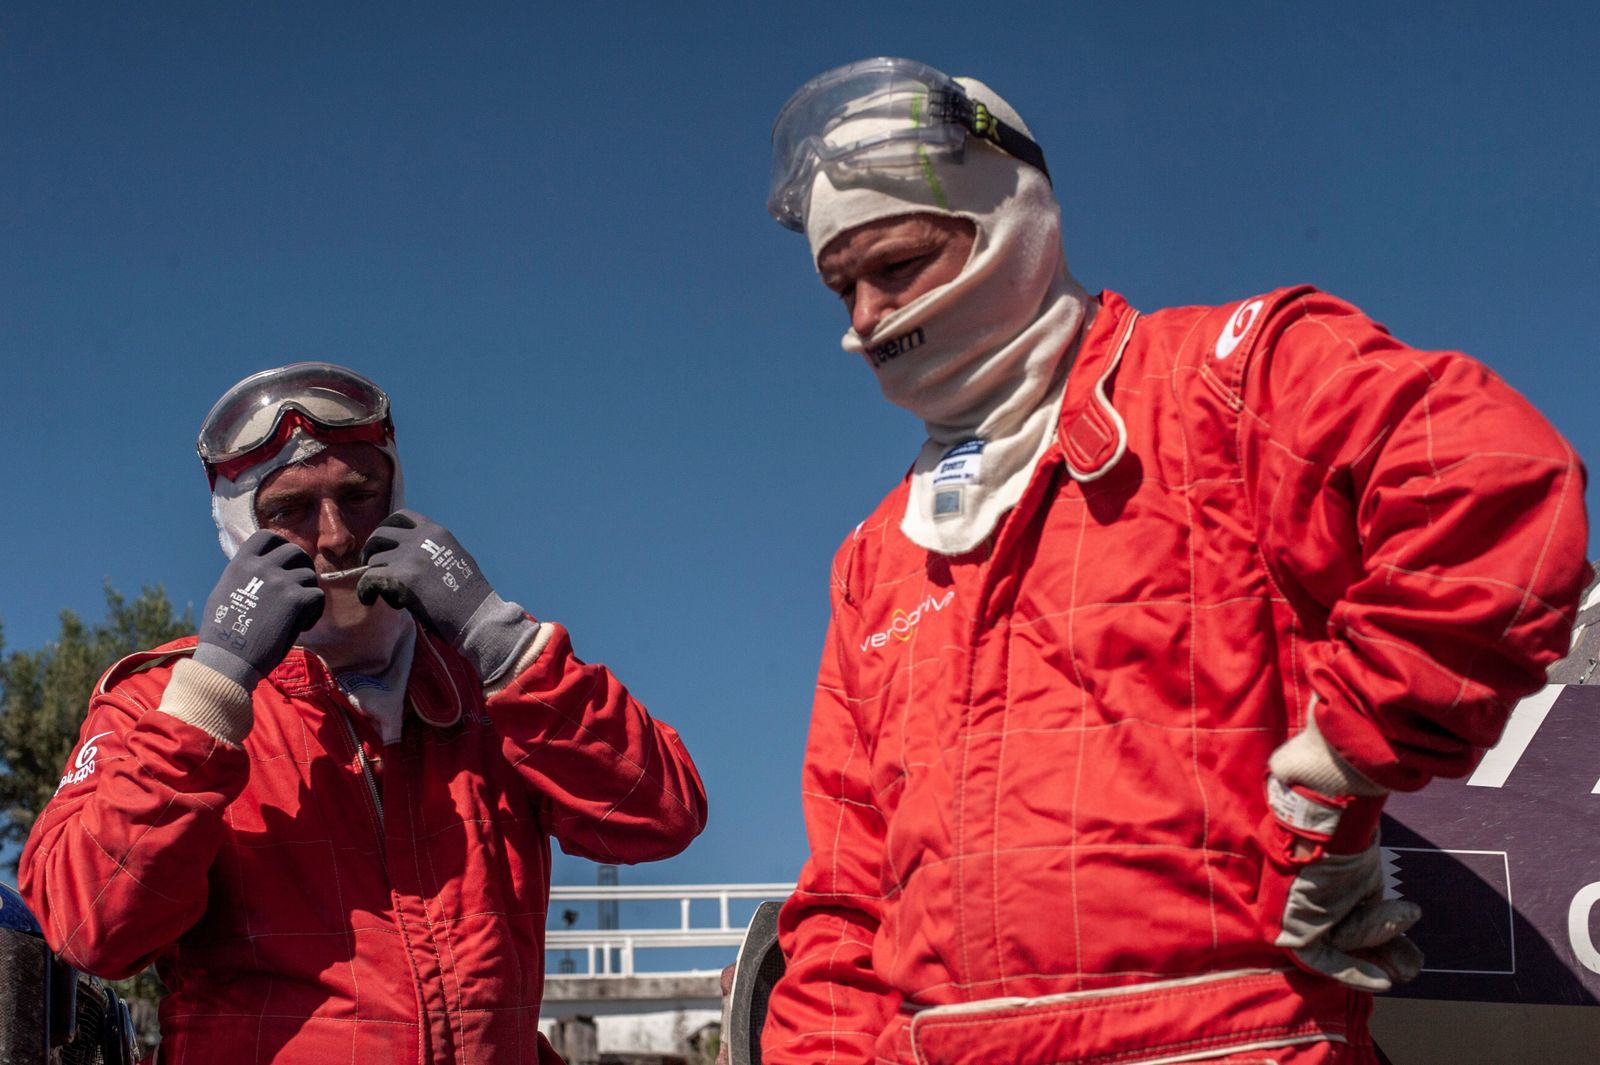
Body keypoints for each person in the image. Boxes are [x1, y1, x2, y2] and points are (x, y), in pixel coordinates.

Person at [757, 57, 1589, 1064]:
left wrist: (1332, 779)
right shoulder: (877, 556)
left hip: (1232, 1042)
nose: (865, 319)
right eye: (841, 288)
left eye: (896, 265)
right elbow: (847, 889)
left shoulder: (1227, 384)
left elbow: (1488, 485)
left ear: (1007, 219)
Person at [19, 362, 708, 1064]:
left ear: (398, 496)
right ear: (236, 528)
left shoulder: (490, 675)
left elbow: (663, 815)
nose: (337, 535)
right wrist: (215, 687)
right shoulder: (160, 698)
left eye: (359, 493)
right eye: (288, 508)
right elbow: (89, 929)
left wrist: (498, 635)